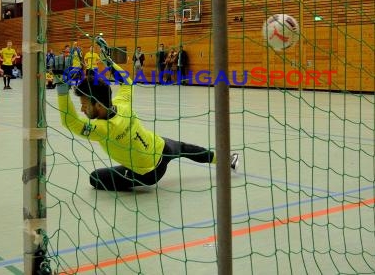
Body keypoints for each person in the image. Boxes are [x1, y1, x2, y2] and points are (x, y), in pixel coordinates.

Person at [54, 42, 239, 191]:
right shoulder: (121, 104)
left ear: (99, 105)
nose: (82, 110)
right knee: (184, 148)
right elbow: (126, 81)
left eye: (85, 105)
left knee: (95, 178)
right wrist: (109, 61)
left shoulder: (103, 129)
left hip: (148, 174)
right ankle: (226, 159)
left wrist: (61, 88)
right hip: (161, 147)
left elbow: (70, 122)